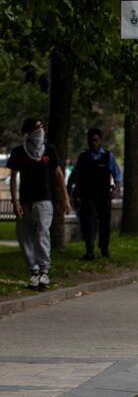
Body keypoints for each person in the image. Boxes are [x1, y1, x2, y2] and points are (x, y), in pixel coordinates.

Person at [7, 118, 69, 289]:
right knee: (23, 235)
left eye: (42, 127)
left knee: (42, 234)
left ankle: (44, 271)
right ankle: (33, 271)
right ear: (29, 131)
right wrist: (15, 202)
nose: (40, 131)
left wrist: (65, 198)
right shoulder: (19, 152)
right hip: (25, 201)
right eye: (37, 128)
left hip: (43, 200)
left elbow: (58, 174)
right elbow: (13, 178)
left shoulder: (49, 150)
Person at [68, 128, 123, 260]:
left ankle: (104, 249)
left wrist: (116, 189)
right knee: (89, 222)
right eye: (91, 141)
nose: (93, 143)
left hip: (103, 195)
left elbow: (117, 174)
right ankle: (90, 251)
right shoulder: (83, 157)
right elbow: (75, 175)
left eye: (96, 140)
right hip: (88, 195)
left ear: (100, 140)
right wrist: (70, 191)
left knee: (105, 223)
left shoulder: (108, 156)